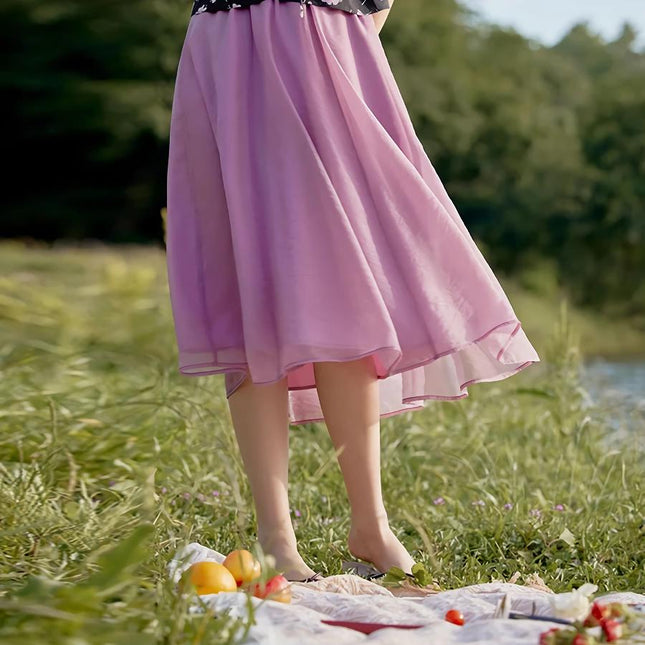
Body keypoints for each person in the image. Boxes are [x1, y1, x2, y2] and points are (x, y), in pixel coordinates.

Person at [165, 0, 540, 583]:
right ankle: (276, 540)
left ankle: (371, 524)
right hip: (227, 37)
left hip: (319, 30)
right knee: (250, 284)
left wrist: (345, 26)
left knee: (341, 278)